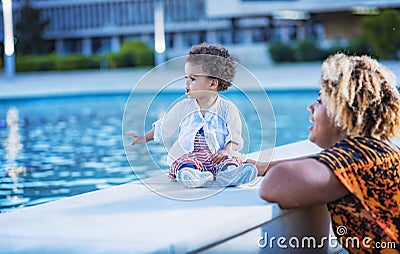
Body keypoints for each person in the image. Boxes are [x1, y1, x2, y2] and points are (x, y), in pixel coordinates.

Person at [248, 53, 400, 253]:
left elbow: (275, 185)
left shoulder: (354, 159)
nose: (310, 108)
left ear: (341, 111)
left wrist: (266, 170)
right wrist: (260, 166)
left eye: (319, 101)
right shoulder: (384, 152)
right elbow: (329, 164)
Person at [129, 42, 257, 188]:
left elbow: (234, 137)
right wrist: (143, 138)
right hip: (192, 157)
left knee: (230, 161)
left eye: (193, 79)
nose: (187, 83)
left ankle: (230, 174)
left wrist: (226, 151)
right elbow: (164, 126)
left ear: (213, 84)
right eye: (186, 78)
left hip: (217, 157)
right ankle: (194, 177)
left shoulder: (228, 109)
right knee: (184, 164)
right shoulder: (183, 108)